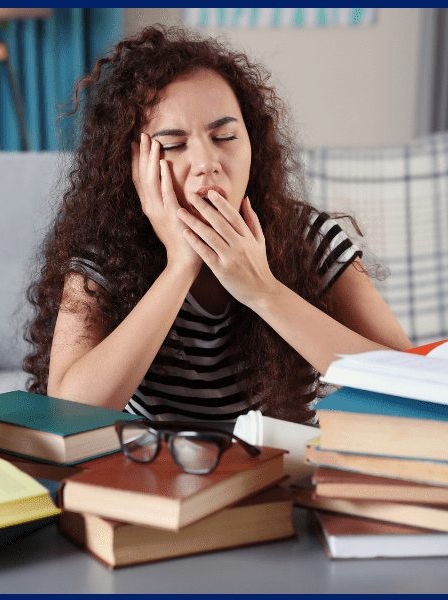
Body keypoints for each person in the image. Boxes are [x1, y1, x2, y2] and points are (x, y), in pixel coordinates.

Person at [24, 26, 412, 425]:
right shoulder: (105, 256)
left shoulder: (308, 240)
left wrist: (263, 291)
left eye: (225, 136)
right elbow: (68, 412)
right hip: (156, 474)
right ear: (134, 165)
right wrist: (179, 266)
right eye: (174, 145)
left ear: (252, 143)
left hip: (281, 473)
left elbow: (415, 382)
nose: (207, 161)